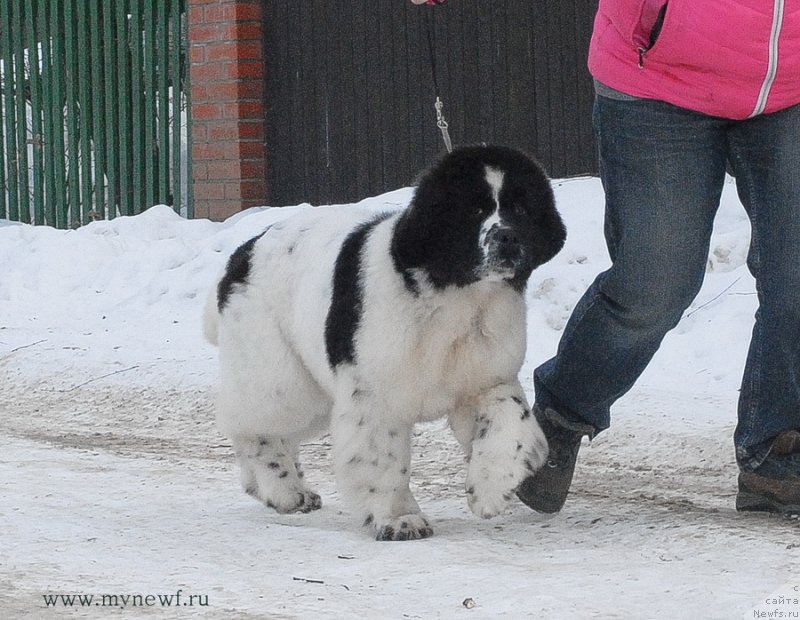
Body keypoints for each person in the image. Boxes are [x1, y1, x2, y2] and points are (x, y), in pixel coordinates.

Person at [412, 0, 800, 516]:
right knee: (654, 283)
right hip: (658, 78)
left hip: (792, 89)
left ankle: (775, 451)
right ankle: (562, 417)